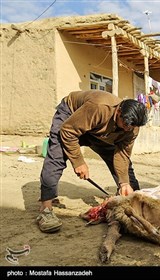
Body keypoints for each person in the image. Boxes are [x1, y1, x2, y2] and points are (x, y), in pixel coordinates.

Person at [37, 90, 148, 233]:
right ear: (118, 112)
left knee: (125, 172)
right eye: (126, 124)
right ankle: (45, 209)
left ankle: (134, 204)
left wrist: (124, 182)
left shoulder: (132, 127)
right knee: (56, 156)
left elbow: (122, 154)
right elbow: (68, 131)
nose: (128, 129)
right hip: (71, 118)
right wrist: (78, 161)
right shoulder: (99, 107)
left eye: (131, 127)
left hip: (99, 130)